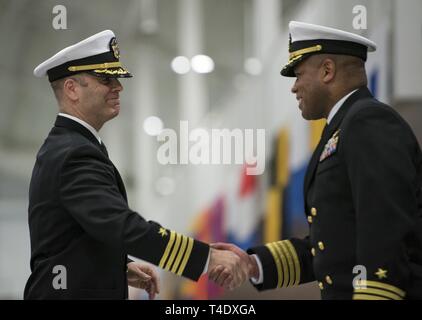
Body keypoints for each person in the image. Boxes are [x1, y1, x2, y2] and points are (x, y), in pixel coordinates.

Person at [25, 30, 247, 299]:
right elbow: (121, 225)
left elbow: (73, 235)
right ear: (72, 89)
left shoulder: (70, 146)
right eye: (106, 79)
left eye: (117, 79)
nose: (118, 87)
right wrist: (205, 258)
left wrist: (119, 265)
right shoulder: (75, 153)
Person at [211, 21, 422, 300]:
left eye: (298, 75)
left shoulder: (367, 121)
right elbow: (331, 246)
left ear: (327, 71)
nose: (294, 88)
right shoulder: (343, 128)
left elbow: (385, 226)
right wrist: (253, 264)